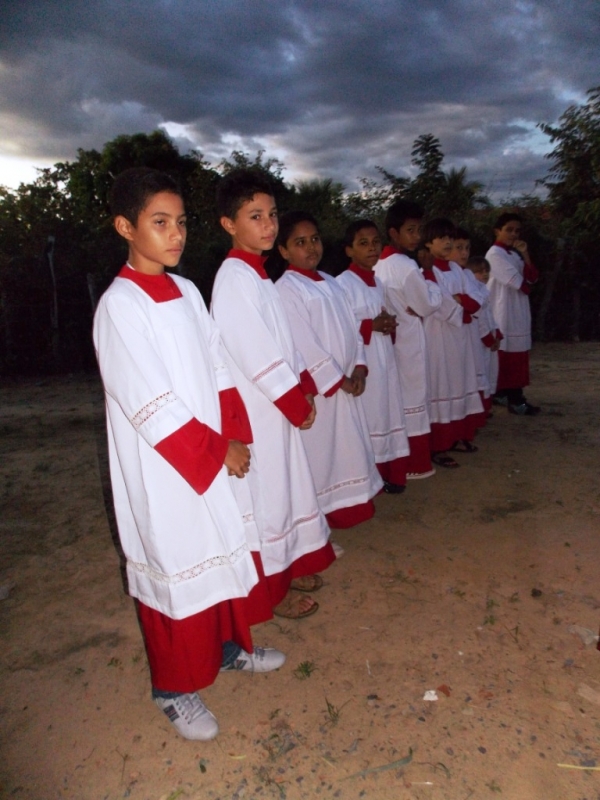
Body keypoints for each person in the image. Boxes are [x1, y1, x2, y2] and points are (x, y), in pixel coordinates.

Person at [93, 167, 285, 742]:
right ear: (125, 227)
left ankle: (229, 649)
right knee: (176, 567)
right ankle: (174, 689)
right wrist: (212, 449)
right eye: (159, 223)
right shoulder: (119, 307)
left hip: (210, 455)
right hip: (165, 469)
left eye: (179, 223)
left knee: (221, 553)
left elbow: (218, 365)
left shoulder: (188, 290)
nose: (175, 235)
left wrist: (235, 433)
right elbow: (149, 402)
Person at [211, 169, 335, 621]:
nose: (268, 226)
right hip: (258, 409)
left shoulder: (260, 275)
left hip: (276, 405)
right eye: (255, 216)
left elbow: (283, 339)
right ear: (229, 224)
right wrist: (293, 401)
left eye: (272, 215)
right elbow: (253, 350)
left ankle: (288, 566)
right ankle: (270, 590)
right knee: (267, 497)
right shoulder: (233, 279)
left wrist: (302, 384)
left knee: (286, 489)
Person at [276, 211, 383, 528]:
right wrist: (339, 380)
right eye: (299, 242)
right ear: (283, 251)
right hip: (321, 390)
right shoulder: (287, 289)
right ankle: (318, 517)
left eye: (314, 239)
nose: (310, 247)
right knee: (323, 455)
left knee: (347, 450)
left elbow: (351, 326)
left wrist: (360, 367)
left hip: (348, 381)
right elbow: (303, 343)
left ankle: (347, 507)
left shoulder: (333, 283)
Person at [336, 219, 410, 493]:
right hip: (361, 361)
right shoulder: (342, 283)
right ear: (349, 250)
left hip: (383, 356)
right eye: (363, 243)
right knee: (370, 416)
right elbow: (339, 326)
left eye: (375, 242)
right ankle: (368, 477)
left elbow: (378, 314)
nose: (371, 248)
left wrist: (388, 322)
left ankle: (389, 473)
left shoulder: (377, 281)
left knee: (385, 412)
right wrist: (370, 326)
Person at [373, 200, 442, 479]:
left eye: (418, 230)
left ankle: (394, 462)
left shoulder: (380, 263)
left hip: (390, 341)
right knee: (413, 395)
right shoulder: (407, 266)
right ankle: (414, 463)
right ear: (393, 233)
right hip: (410, 338)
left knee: (396, 397)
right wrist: (428, 278)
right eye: (410, 230)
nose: (416, 236)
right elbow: (426, 304)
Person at [420, 218, 485, 468]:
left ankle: (457, 436)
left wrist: (464, 303)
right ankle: (438, 446)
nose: (448, 243)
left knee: (458, 384)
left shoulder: (458, 270)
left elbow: (478, 296)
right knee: (441, 387)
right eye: (441, 238)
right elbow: (439, 303)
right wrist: (462, 307)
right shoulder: (428, 272)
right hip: (438, 337)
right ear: (428, 243)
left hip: (459, 338)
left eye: (450, 238)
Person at [485, 213, 540, 415]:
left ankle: (503, 393)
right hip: (503, 312)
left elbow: (533, 278)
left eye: (517, 230)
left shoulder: (513, 254)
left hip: (517, 311)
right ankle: (515, 400)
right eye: (509, 229)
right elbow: (522, 285)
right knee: (508, 358)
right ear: (497, 231)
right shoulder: (494, 255)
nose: (514, 234)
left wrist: (525, 254)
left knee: (514, 356)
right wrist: (527, 282)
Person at [450, 229, 493, 413]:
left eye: (467, 248)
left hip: (471, 335)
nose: (464, 253)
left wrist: (462, 299)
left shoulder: (467, 274)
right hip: (450, 337)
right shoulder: (436, 272)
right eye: (459, 248)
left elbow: (479, 302)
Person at [466, 256, 502, 407]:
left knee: (489, 371)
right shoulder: (472, 291)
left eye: (486, 270)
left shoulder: (484, 290)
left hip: (489, 338)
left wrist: (497, 333)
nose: (484, 274)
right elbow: (479, 318)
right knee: (480, 372)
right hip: (480, 341)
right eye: (479, 271)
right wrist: (487, 337)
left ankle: (488, 403)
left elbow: (490, 315)